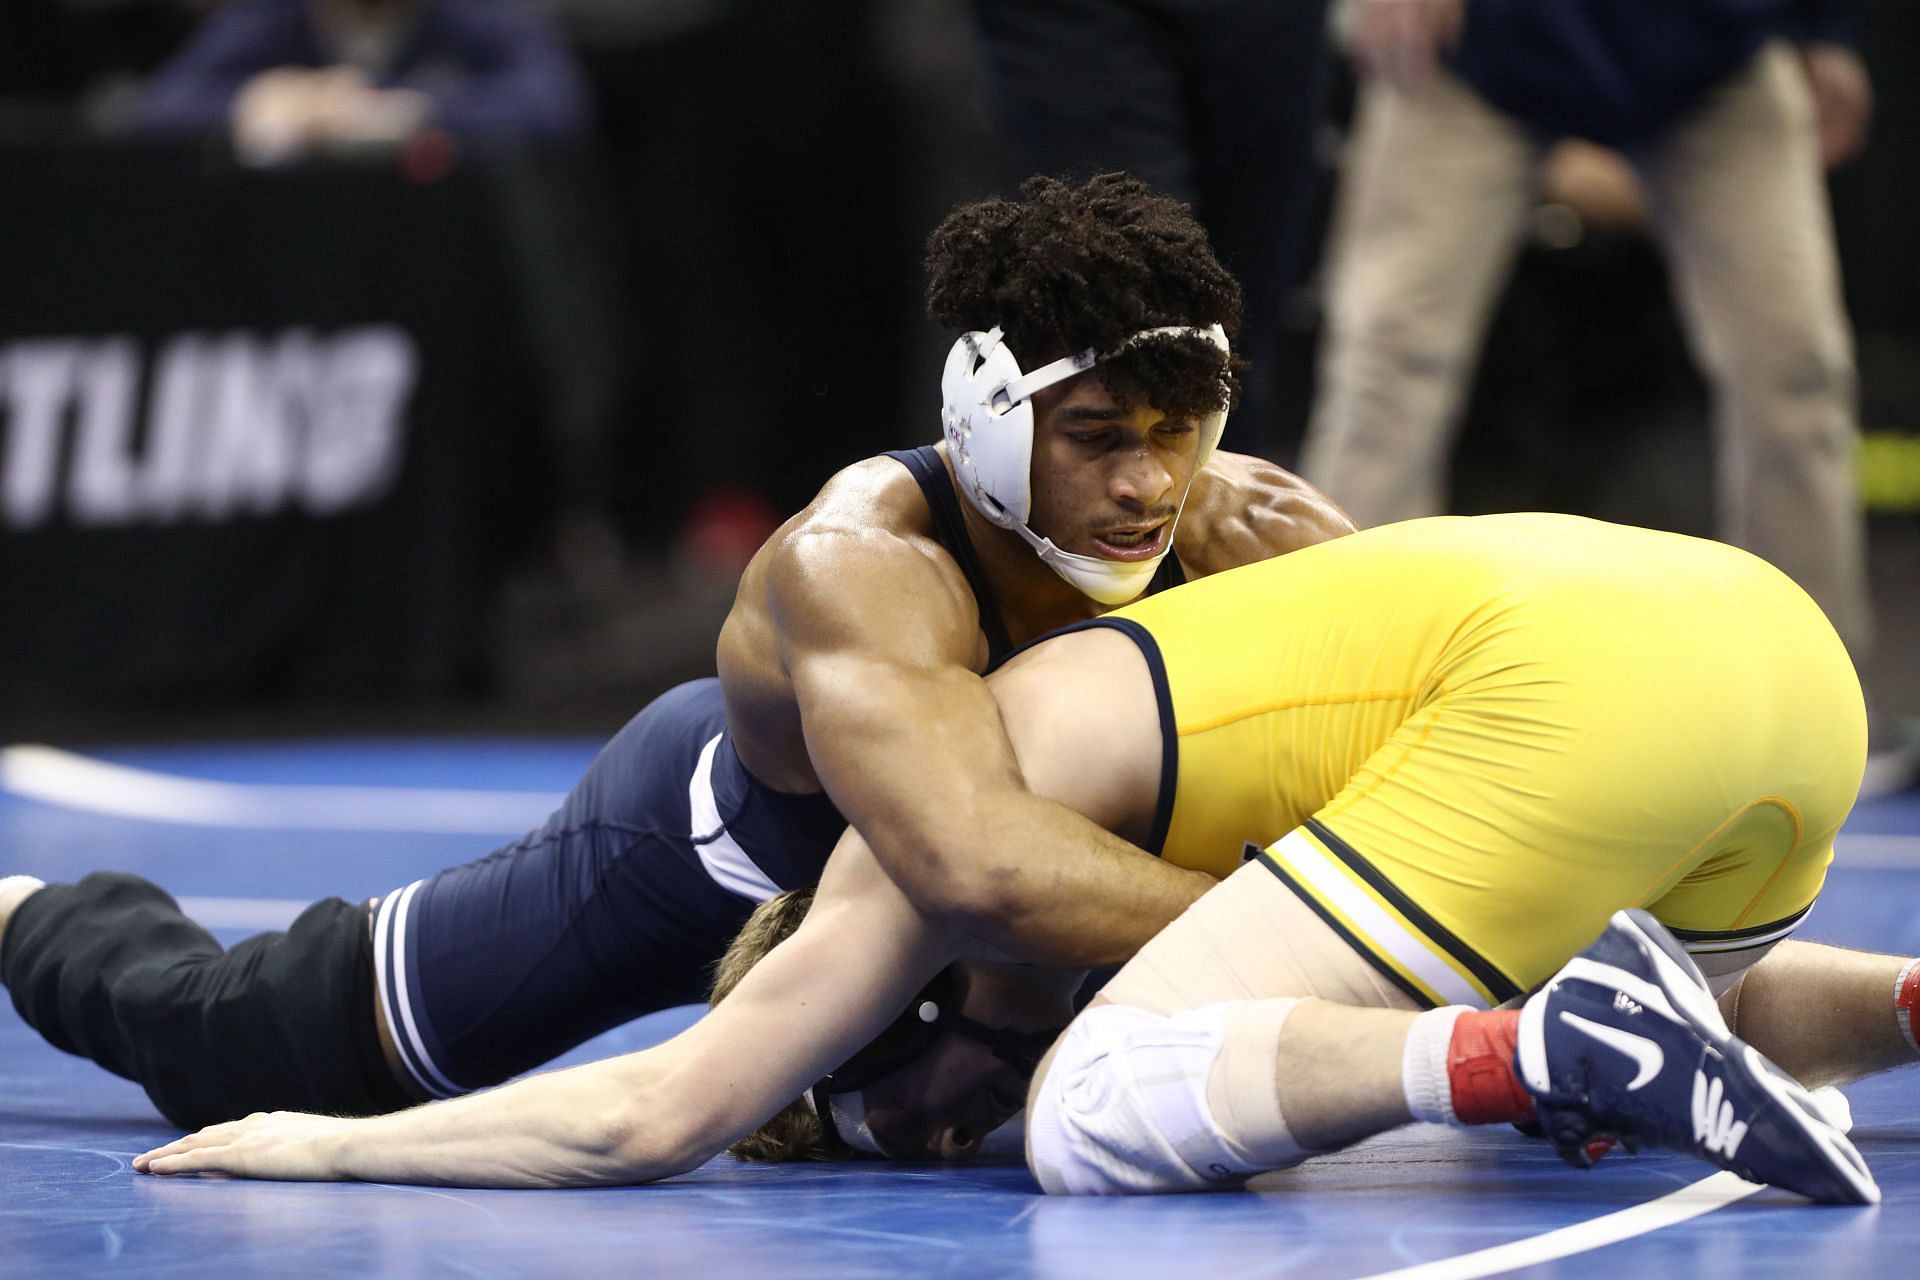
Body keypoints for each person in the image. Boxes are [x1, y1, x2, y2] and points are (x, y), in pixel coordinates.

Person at [0, 173, 1352, 1132]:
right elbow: (976, 868)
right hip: (698, 862)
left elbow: (1447, 719)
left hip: (973, 909)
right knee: (245, 1045)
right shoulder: (863, 564)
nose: (1147, 485)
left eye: (1177, 434)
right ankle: (30, 914)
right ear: (993, 429)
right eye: (1101, 436)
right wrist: (1337, 927)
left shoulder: (1252, 523)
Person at [129, 515, 1914, 1203]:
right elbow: (1688, 967)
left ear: (882, 1007)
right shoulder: (1140, 673)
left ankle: (1534, 1058)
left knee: (1106, 1110)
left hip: (1596, 681)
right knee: (1670, 996)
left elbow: (644, 1116)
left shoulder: (941, 832)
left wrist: (331, 1143)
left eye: (918, 1093)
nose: (967, 1107)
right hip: (1770, 655)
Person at [1296, 0, 1914, 792]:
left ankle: (1816, 709)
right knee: (1386, 369)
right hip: (1476, 55)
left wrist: (1827, 31)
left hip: (1710, 56)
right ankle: (1333, 697)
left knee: (1796, 370)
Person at [969, 0, 1337, 460]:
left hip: (1267, 20)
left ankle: (1214, 520)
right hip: (1076, 21)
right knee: (1131, 314)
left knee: (1239, 339)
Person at [131, 0, 593, 161]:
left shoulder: (467, 17)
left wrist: (415, 111)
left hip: (444, 264)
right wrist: (258, 102)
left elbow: (556, 101)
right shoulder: (274, 18)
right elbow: (155, 110)